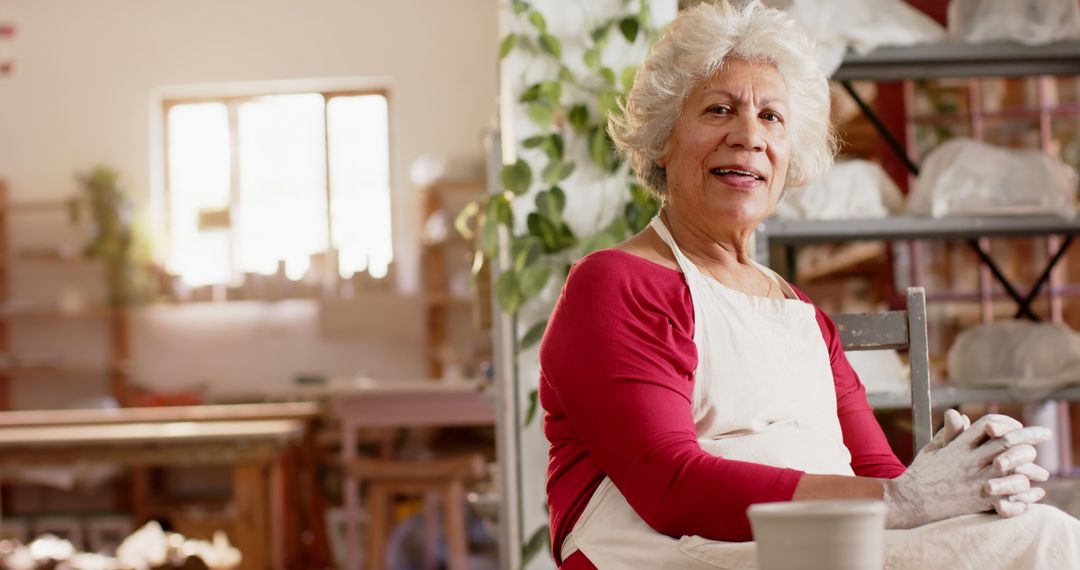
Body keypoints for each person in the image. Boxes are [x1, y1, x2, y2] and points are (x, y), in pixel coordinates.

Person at [538, 1, 1080, 568]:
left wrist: (958, 479)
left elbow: (879, 476)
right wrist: (901, 499)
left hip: (823, 548)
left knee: (1036, 528)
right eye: (719, 109)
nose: (748, 136)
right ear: (664, 138)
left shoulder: (800, 314)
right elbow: (671, 488)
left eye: (772, 117)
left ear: (790, 155)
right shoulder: (614, 282)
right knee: (1043, 543)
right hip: (673, 553)